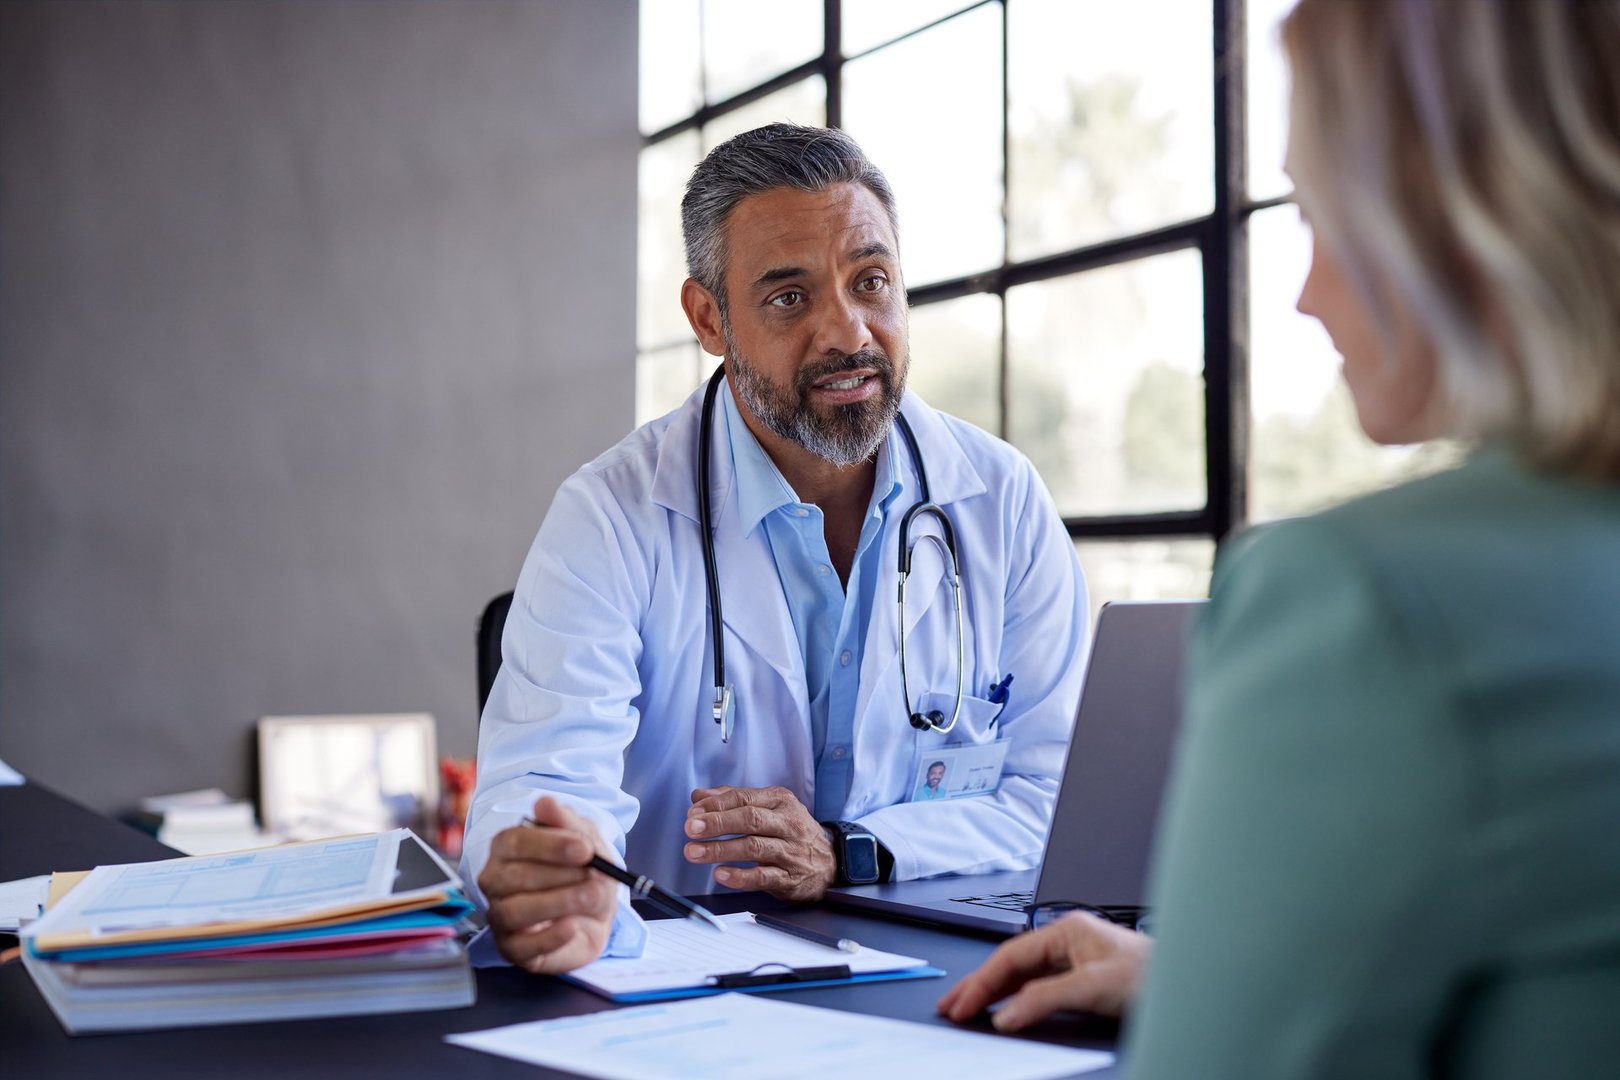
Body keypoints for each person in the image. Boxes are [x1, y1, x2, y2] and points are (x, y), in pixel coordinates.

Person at [941, 1, 1620, 1075]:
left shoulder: (1368, 605)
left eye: (1319, 213)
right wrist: (1204, 972)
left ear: (1459, 206)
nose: (1302, 295)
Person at [464, 123, 1090, 974]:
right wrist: (549, 875)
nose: (849, 333)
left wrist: (849, 849)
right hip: (677, 992)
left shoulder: (1001, 502)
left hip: (933, 977)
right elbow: (544, 788)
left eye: (871, 282)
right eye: (790, 298)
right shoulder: (609, 517)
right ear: (708, 318)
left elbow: (1058, 801)